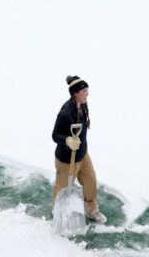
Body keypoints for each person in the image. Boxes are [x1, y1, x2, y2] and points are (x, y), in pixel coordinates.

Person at [51, 74, 107, 224]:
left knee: (90, 182)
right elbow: (55, 135)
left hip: (82, 155)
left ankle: (91, 209)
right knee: (62, 189)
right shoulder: (65, 112)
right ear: (75, 93)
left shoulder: (82, 105)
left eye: (87, 90)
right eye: (84, 91)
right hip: (66, 160)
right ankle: (58, 213)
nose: (87, 93)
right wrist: (67, 140)